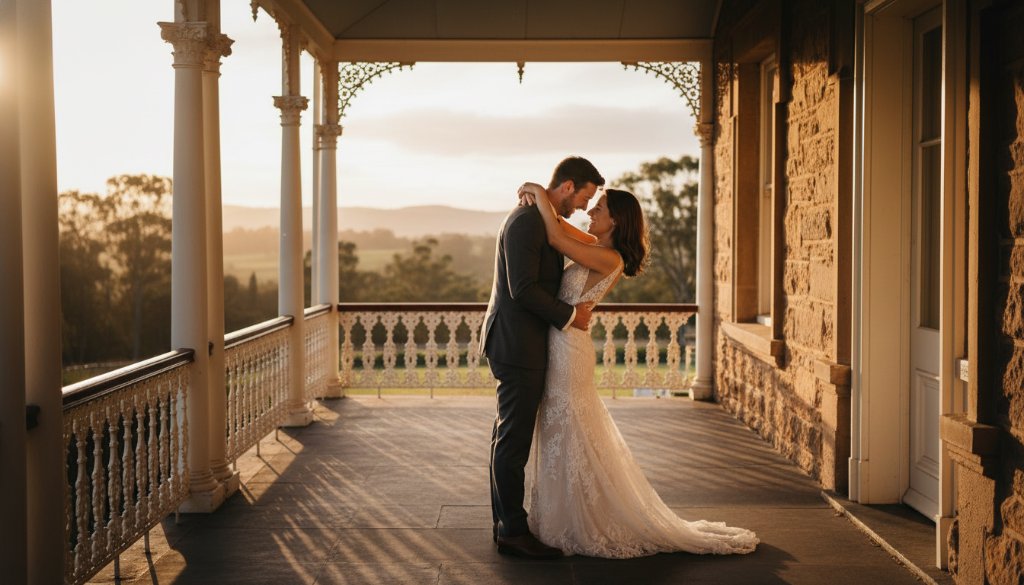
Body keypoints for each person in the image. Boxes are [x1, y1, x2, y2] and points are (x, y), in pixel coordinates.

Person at [516, 180, 760, 559]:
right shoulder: (596, 246)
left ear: (615, 221)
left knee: (569, 428)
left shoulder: (608, 258)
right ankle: (562, 516)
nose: (589, 212)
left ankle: (582, 520)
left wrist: (535, 188)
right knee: (560, 428)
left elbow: (554, 235)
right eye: (591, 206)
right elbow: (559, 226)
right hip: (562, 341)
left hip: (569, 350)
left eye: (598, 209)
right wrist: (540, 198)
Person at [480, 156, 605, 559]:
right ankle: (513, 530)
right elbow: (522, 288)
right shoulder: (527, 221)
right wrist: (571, 315)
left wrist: (534, 188)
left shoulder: (541, 217)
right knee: (513, 439)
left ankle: (506, 524)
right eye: (584, 198)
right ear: (568, 186)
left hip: (525, 343)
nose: (584, 209)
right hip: (517, 345)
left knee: (508, 435)